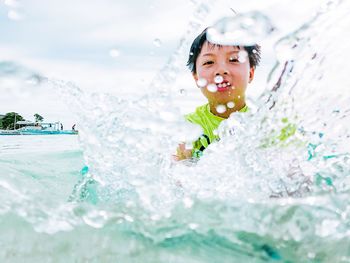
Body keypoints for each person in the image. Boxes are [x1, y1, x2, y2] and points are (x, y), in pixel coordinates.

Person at [175, 27, 261, 160]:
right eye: (209, 62)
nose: (221, 70)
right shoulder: (189, 128)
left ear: (250, 73)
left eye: (233, 60)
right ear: (197, 78)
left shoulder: (266, 123)